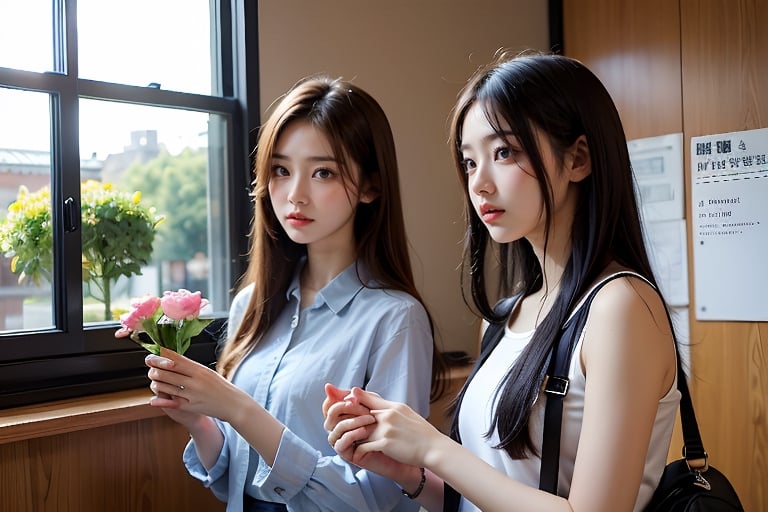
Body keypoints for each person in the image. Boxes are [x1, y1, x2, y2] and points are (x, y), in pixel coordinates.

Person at [324, 50, 681, 512]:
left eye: (504, 152)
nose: (480, 183)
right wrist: (406, 470)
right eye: (470, 162)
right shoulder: (506, 316)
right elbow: (485, 494)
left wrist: (433, 447)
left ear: (578, 159)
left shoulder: (622, 306)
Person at [144, 75, 444, 512]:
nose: (295, 195)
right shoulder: (252, 304)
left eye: (323, 172)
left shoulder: (395, 319)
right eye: (281, 170)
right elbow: (235, 477)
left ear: (369, 187)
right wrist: (199, 420)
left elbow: (375, 496)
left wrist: (241, 410)